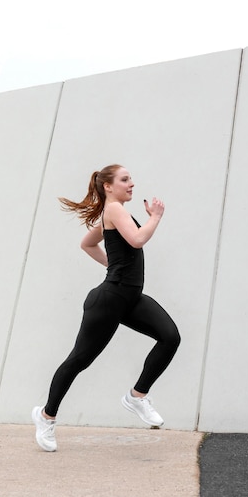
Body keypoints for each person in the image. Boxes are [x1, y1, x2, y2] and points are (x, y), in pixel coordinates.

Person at [32, 164, 180, 451]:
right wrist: (156, 217)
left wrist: (111, 262)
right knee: (79, 361)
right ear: (108, 187)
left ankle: (137, 396)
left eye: (131, 179)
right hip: (109, 300)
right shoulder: (113, 210)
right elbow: (137, 239)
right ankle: (46, 416)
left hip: (131, 299)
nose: (131, 184)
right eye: (125, 180)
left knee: (170, 337)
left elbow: (87, 244)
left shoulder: (114, 214)